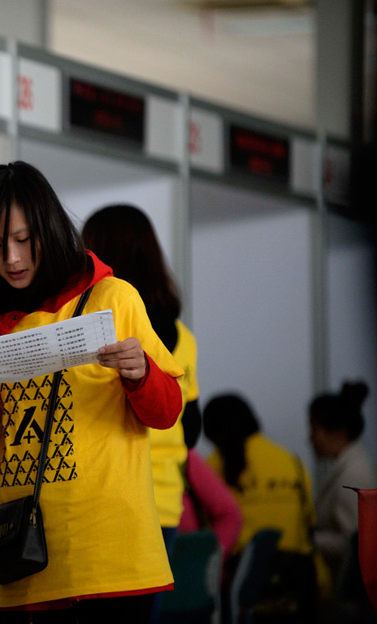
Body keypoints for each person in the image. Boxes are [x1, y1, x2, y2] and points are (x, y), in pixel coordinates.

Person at [0, 162, 184, 623]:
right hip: (19, 555)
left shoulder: (113, 298)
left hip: (111, 556)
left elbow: (167, 412)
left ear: (48, 229)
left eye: (24, 240)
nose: (11, 258)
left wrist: (140, 374)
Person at [82, 204, 202, 623]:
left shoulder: (98, 329)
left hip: (114, 494)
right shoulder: (181, 335)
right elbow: (192, 428)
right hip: (166, 499)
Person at [203, 393, 317, 623]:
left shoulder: (212, 467)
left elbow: (205, 533)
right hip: (299, 582)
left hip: (241, 587)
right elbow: (310, 523)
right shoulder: (291, 462)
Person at [309, 381, 377, 582]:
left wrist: (308, 539)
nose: (310, 439)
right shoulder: (349, 466)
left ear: (338, 433)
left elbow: (355, 541)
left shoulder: (353, 474)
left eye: (314, 429)